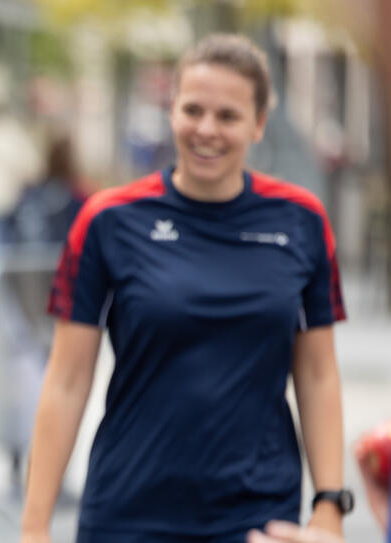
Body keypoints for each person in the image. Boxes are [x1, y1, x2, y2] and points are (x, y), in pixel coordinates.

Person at [20, 34, 349, 542]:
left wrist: (330, 507)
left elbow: (318, 373)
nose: (206, 130)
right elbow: (66, 381)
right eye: (192, 110)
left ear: (259, 123)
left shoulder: (302, 220)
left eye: (228, 116)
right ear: (171, 111)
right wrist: (35, 527)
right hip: (128, 513)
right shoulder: (108, 221)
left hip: (259, 516)